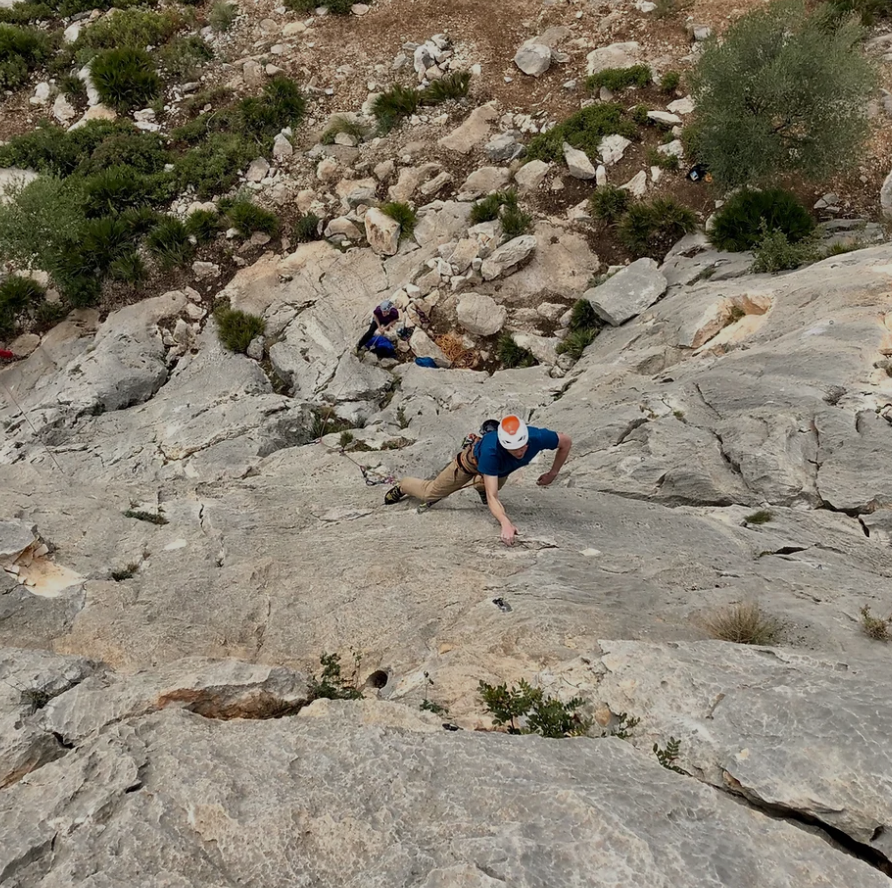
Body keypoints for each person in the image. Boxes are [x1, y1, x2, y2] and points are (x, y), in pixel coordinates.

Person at [384, 415, 572, 546]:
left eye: (523, 446)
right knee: (430, 493)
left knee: (489, 483)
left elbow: (565, 442)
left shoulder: (537, 437)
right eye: (514, 449)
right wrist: (505, 522)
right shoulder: (492, 452)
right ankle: (403, 485)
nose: (521, 451)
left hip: (499, 471)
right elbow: (493, 496)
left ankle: (480, 484)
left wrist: (553, 473)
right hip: (469, 464)